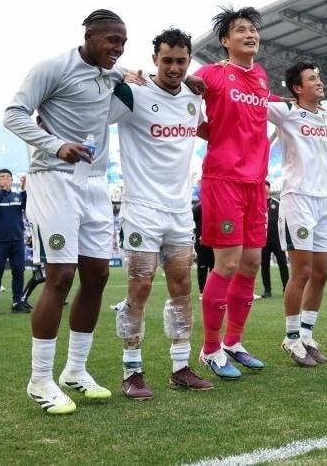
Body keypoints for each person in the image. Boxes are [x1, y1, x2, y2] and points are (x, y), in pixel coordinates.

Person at [4, 9, 129, 414]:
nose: (118, 48)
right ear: (90, 36)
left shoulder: (112, 73)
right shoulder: (52, 67)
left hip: (94, 184)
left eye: (123, 42)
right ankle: (39, 380)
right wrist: (56, 144)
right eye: (112, 41)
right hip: (53, 178)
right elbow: (13, 114)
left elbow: (139, 78)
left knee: (97, 274)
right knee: (60, 275)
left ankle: (75, 371)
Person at [110, 27, 213, 398]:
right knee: (139, 287)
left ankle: (181, 366)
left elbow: (208, 120)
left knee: (183, 287)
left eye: (181, 61)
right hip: (141, 210)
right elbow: (93, 110)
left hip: (179, 211)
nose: (173, 68)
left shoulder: (191, 95)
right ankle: (131, 370)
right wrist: (120, 74)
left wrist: (198, 83)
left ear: (188, 62)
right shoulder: (133, 94)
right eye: (167, 60)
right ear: (154, 59)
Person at [194, 7, 276, 378]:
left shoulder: (260, 76)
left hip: (256, 182)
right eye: (240, 30)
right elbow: (182, 104)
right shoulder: (210, 74)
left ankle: (233, 342)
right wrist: (213, 134)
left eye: (252, 30)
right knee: (225, 264)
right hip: (223, 179)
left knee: (251, 263)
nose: (250, 35)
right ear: (225, 41)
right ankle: (210, 350)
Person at [268, 62, 327, 366]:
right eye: (312, 79)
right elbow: (255, 98)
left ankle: (307, 336)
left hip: (323, 201)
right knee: (302, 272)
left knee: (322, 272)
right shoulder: (286, 112)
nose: (319, 82)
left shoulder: (324, 116)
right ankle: (291, 338)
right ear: (297, 87)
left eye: (318, 77)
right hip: (298, 199)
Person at [0, 169, 30, 315]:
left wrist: (24, 189)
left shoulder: (17, 196)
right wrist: (3, 192)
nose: (5, 179)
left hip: (17, 241)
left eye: (8, 177)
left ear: (12, 180)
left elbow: (27, 206)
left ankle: (17, 302)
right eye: (2, 177)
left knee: (19, 271)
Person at [260, 183, 289, 298]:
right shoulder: (257, 203)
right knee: (264, 265)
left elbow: (284, 219)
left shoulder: (277, 203)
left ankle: (286, 288)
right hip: (263, 239)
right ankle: (267, 290)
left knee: (282, 262)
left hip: (277, 238)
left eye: (266, 186)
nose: (265, 188)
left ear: (269, 188)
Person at [192, 199, 213, 296]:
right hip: (202, 243)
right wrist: (199, 234)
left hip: (215, 241)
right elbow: (191, 221)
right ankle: (203, 291)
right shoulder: (199, 207)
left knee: (215, 266)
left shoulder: (217, 206)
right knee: (202, 266)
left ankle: (214, 289)